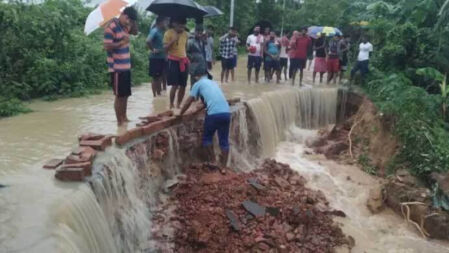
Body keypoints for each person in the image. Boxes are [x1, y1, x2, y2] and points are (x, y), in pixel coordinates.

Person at [179, 60, 231, 166]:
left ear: (196, 76)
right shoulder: (213, 83)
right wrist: (194, 111)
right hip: (226, 113)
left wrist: (181, 113)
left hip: (214, 115)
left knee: (207, 138)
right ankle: (224, 167)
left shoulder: (198, 84)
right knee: (224, 141)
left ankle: (213, 161)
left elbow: (189, 100)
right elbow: (207, 103)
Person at [103, 7, 138, 126]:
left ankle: (124, 117)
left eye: (130, 20)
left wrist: (133, 22)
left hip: (126, 66)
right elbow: (106, 46)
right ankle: (119, 122)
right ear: (123, 15)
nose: (129, 22)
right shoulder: (111, 27)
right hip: (117, 68)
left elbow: (135, 32)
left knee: (126, 94)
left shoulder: (125, 27)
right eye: (128, 19)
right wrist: (121, 43)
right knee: (119, 96)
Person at [163, 17, 189, 109]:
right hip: (173, 61)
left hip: (184, 61)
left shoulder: (186, 34)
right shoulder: (168, 33)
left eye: (183, 26)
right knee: (174, 85)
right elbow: (165, 48)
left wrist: (186, 59)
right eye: (180, 26)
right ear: (174, 24)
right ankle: (171, 104)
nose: (182, 28)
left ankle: (178, 104)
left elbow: (185, 48)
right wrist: (173, 40)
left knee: (183, 85)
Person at [147, 16, 168, 97]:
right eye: (165, 22)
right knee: (155, 77)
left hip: (162, 58)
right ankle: (155, 96)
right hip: (155, 58)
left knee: (160, 77)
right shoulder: (154, 31)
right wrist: (153, 49)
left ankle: (159, 95)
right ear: (160, 22)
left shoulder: (162, 32)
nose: (166, 24)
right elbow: (148, 41)